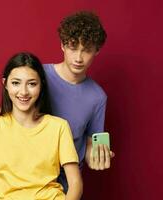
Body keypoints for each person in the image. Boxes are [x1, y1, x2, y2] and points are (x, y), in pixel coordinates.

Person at [0, 52, 83, 200]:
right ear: (5, 84)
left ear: (41, 85)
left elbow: (75, 184)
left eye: (32, 84)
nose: (23, 92)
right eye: (16, 83)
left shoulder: (59, 127)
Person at [43, 11, 115, 192]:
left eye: (87, 50)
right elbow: (5, 122)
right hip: (29, 180)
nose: (78, 58)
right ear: (62, 45)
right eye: (73, 48)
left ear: (97, 50)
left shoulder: (97, 97)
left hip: (66, 187)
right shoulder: (38, 76)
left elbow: (91, 147)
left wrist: (99, 157)